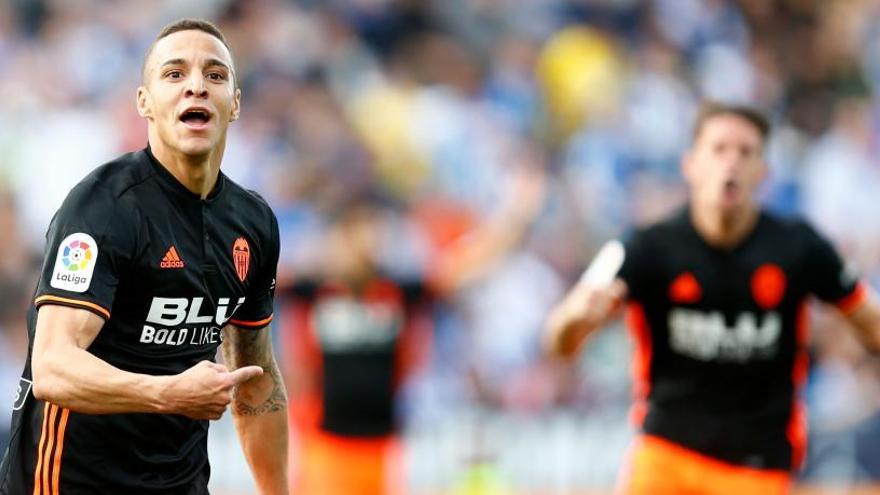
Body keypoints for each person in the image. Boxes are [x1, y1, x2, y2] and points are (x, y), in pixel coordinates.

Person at [0, 18, 288, 495]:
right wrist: (168, 393)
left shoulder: (253, 224)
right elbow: (53, 366)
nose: (196, 85)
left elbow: (257, 380)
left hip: (181, 482)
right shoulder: (102, 206)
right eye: (174, 74)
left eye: (215, 75)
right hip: (71, 483)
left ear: (234, 103)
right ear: (144, 102)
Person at [544, 101, 880, 495]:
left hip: (755, 467)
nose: (731, 163)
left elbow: (869, 320)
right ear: (691, 165)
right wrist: (577, 318)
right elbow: (557, 341)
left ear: (763, 172)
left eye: (745, 152)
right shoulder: (645, 246)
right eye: (719, 149)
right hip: (666, 455)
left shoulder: (800, 248)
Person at [283, 164, 546, 495]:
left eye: (377, 230)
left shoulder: (399, 291)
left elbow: (464, 267)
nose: (373, 241)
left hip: (382, 447)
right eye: (362, 230)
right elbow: (254, 276)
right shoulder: (313, 290)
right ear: (340, 236)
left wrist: (515, 215)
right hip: (325, 445)